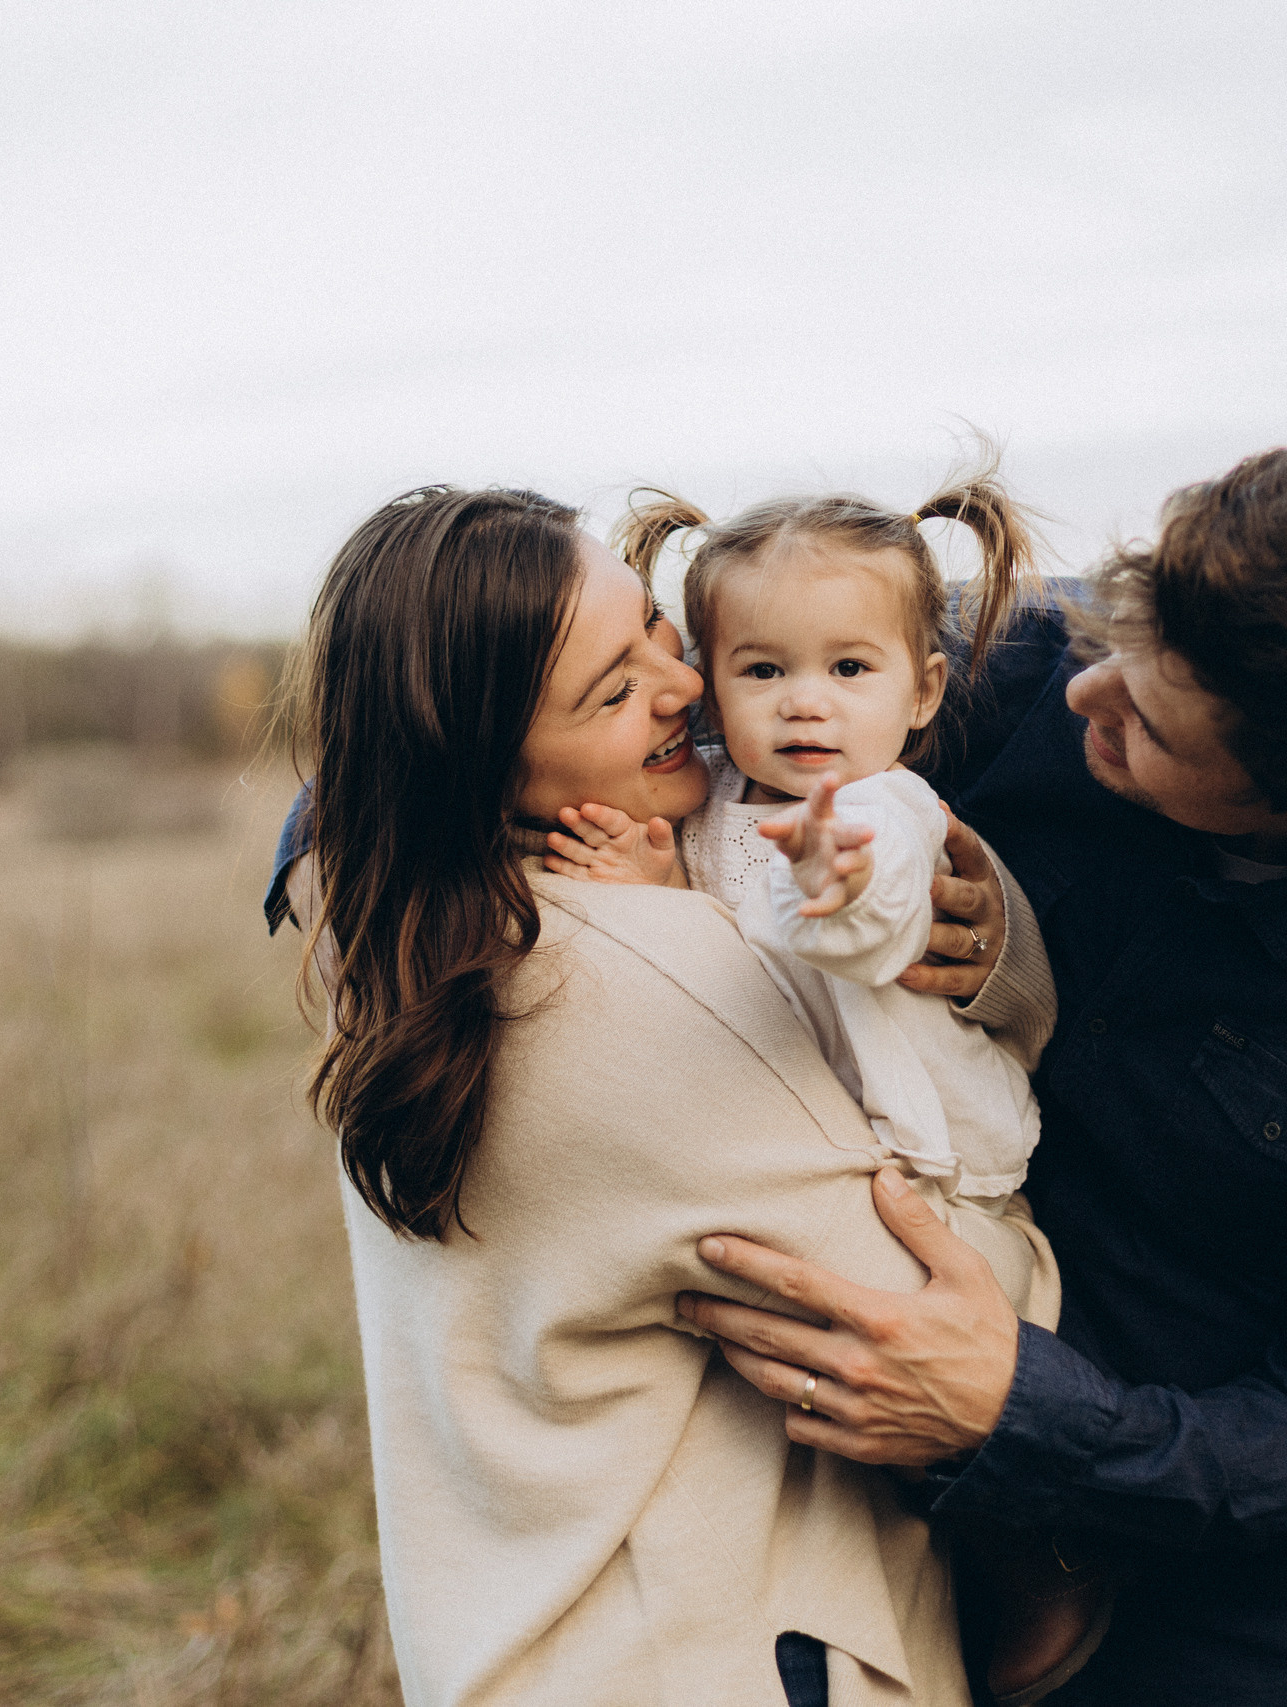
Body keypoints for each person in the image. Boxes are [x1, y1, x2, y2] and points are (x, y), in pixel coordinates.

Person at [677, 441, 1287, 1706]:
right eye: (1116, 639)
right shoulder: (1000, 655)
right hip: (899, 1572)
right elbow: (555, 708)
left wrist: (1011, 1407)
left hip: (1272, 1640)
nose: (1086, 700)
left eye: (1150, 723)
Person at [261, 482, 1066, 1707]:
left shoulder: (411, 955)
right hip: (735, 1652)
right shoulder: (639, 970)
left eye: (651, 625)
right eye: (612, 688)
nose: (683, 683)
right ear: (487, 764)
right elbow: (935, 1308)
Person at [538, 470, 1108, 1700]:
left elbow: (859, 928)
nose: (806, 705)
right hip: (834, 1157)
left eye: (849, 671)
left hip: (940, 1182)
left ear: (923, 691)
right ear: (707, 676)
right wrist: (658, 894)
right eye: (763, 671)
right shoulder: (710, 810)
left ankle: (1043, 1548)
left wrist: (841, 888)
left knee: (896, 1370)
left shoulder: (882, 810)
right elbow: (723, 988)